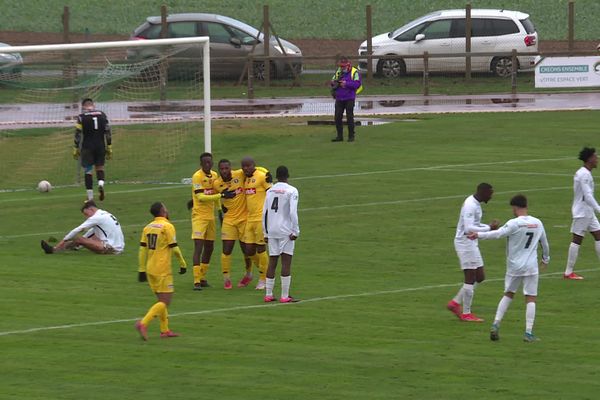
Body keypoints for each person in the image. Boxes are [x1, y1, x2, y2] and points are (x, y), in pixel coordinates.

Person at [468, 194, 549, 342]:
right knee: (530, 297)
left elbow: (497, 234)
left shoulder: (514, 223)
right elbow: (544, 243)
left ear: (515, 207)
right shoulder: (538, 223)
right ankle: (528, 333)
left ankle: (496, 324)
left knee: (508, 294)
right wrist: (545, 259)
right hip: (531, 266)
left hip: (514, 266)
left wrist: (478, 235)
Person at [135, 202, 187, 340]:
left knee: (161, 300)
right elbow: (174, 248)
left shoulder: (148, 227)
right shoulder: (167, 226)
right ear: (163, 211)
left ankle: (164, 330)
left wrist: (141, 269)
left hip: (150, 268)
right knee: (165, 301)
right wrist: (183, 263)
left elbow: (142, 249)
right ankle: (143, 323)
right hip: (162, 269)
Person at [447, 182, 499, 322]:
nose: (492, 196)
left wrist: (489, 227)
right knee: (470, 277)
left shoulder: (476, 204)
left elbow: (475, 226)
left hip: (471, 242)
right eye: (490, 193)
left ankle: (455, 303)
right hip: (465, 242)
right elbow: (469, 228)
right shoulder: (470, 205)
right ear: (483, 192)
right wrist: (489, 228)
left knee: (480, 276)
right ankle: (466, 313)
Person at [190, 152, 236, 290]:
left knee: (209, 247)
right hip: (199, 217)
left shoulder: (215, 175)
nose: (208, 165)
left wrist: (220, 210)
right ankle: (196, 280)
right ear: (201, 164)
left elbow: (215, 196)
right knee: (199, 246)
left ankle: (203, 277)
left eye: (210, 162)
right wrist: (221, 195)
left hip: (210, 217)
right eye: (205, 163)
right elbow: (201, 197)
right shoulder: (197, 176)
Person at [213, 159, 253, 289]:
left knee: (246, 250)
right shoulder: (217, 183)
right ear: (219, 170)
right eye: (222, 169)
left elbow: (255, 169)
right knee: (226, 249)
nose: (224, 171)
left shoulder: (239, 174)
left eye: (226, 168)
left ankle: (248, 274)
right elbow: (212, 197)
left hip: (243, 219)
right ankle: (226, 279)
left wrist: (267, 173)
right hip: (229, 220)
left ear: (230, 168)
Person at [262, 166, 300, 303]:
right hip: (285, 231)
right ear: (288, 175)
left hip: (272, 229)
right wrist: (295, 231)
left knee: (272, 261)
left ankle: (268, 294)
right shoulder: (292, 191)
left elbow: (264, 212)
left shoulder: (270, 190)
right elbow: (292, 212)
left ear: (277, 176)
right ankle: (285, 296)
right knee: (286, 261)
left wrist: (265, 232)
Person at [564, 147, 600, 280]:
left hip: (588, 212)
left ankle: (568, 272)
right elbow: (587, 196)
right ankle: (568, 272)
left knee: (598, 235)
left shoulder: (586, 173)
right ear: (589, 159)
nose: (597, 159)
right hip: (582, 212)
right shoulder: (584, 174)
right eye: (595, 157)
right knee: (577, 239)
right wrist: (599, 209)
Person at [40, 200, 124, 254]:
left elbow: (78, 229)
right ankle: (58, 249)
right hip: (119, 246)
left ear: (91, 209)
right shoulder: (104, 213)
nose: (87, 217)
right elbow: (91, 232)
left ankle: (54, 250)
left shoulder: (96, 217)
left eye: (86, 214)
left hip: (111, 248)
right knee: (83, 239)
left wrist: (63, 241)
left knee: (79, 239)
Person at [242, 156, 273, 290]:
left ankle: (263, 278)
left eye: (248, 165)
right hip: (250, 219)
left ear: (254, 165)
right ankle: (264, 269)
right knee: (248, 249)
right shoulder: (245, 179)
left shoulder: (261, 176)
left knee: (261, 248)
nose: (246, 168)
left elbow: (270, 192)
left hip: (261, 218)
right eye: (244, 166)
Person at [73, 98, 112, 201]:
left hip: (87, 147)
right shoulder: (102, 115)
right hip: (100, 146)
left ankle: (90, 198)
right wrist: (109, 146)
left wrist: (76, 147)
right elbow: (107, 131)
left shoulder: (81, 118)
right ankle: (101, 184)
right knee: (100, 168)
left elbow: (78, 134)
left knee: (88, 171)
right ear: (93, 105)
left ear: (83, 107)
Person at [330, 56, 363, 143]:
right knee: (337, 117)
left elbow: (357, 84)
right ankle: (339, 136)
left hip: (349, 98)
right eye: (341, 66)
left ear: (348, 65)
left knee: (349, 117)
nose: (342, 68)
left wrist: (346, 84)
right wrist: (333, 83)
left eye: (343, 66)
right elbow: (333, 80)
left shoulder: (354, 72)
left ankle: (351, 136)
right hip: (339, 98)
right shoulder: (338, 71)